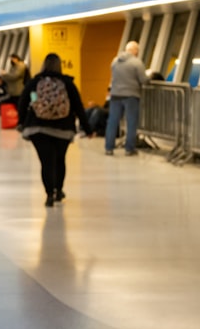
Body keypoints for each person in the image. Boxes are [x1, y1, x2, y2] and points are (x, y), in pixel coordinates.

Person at [17, 53, 91, 207]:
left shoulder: (35, 83)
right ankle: (59, 190)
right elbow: (78, 105)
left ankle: (49, 194)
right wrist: (87, 128)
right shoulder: (67, 83)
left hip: (38, 128)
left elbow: (24, 101)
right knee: (59, 160)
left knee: (46, 162)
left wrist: (22, 122)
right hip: (62, 128)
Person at [104, 40, 149, 157]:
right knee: (131, 122)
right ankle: (129, 149)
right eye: (137, 51)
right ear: (135, 51)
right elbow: (143, 79)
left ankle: (109, 147)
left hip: (115, 95)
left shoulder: (115, 61)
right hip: (131, 96)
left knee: (112, 122)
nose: (138, 53)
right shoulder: (136, 63)